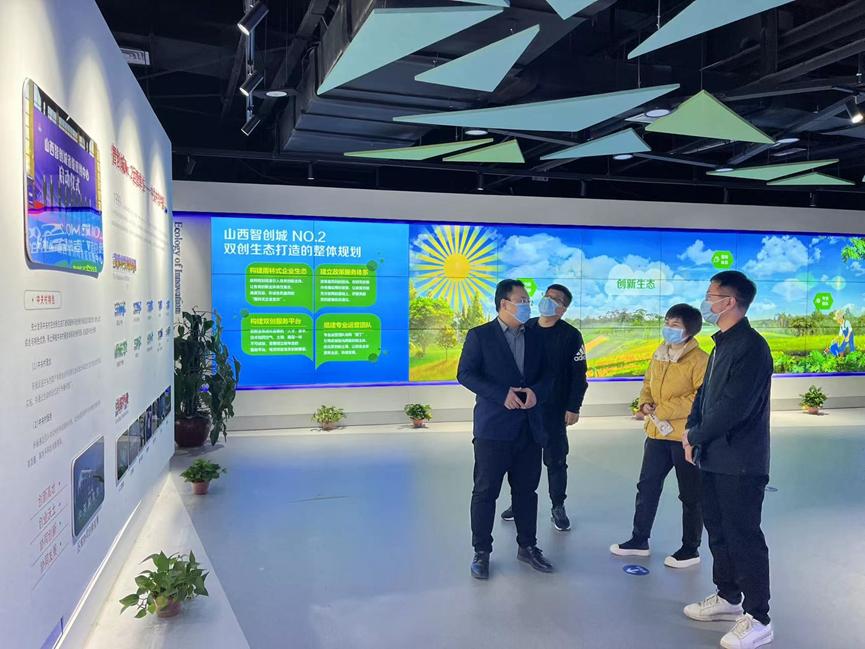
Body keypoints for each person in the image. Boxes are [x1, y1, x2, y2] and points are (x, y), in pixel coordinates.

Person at [682, 271, 774, 649]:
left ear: (730, 301)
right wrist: (692, 430)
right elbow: (705, 398)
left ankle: (759, 617)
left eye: (711, 296)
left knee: (743, 535)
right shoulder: (721, 344)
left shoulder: (752, 347)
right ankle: (728, 596)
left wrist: (696, 435)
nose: (706, 302)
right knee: (717, 530)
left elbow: (733, 408)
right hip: (713, 456)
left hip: (741, 461)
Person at [457, 279, 554, 580]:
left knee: (526, 492)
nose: (527, 306)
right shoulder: (480, 336)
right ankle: (481, 551)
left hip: (529, 428)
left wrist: (537, 392)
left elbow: (549, 376)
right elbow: (465, 374)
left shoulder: (536, 337)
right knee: (485, 492)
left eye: (528, 301)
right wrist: (501, 394)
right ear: (504, 304)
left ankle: (528, 546)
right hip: (493, 429)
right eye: (522, 301)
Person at [610, 304, 708, 568]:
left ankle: (690, 549)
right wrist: (645, 403)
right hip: (656, 434)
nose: (668, 329)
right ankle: (639, 540)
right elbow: (648, 383)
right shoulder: (660, 353)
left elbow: (700, 398)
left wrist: (663, 409)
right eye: (667, 323)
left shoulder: (700, 360)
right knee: (647, 487)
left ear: (690, 330)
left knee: (690, 495)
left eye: (675, 325)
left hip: (684, 437)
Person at [500, 283, 587, 531]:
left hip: (554, 409)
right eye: (546, 296)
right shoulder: (525, 327)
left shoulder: (570, 336)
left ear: (563, 309)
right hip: (523, 408)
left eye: (555, 299)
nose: (547, 301)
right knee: (521, 460)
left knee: (555, 460)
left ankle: (558, 506)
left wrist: (573, 407)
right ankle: (519, 503)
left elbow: (579, 376)